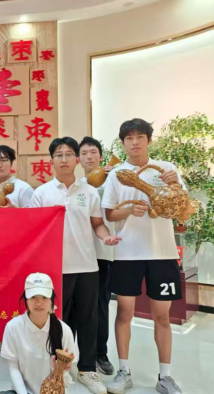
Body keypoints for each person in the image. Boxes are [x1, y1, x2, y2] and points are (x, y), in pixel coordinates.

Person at [102, 119, 192, 394]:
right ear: (123, 143)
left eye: (140, 137)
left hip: (162, 253)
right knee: (124, 314)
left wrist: (175, 184)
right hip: (127, 254)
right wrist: (129, 210)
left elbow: (184, 210)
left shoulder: (166, 169)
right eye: (129, 138)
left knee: (162, 317)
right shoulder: (117, 174)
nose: (135, 142)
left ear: (149, 140)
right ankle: (124, 371)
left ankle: (165, 377)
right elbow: (109, 214)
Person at [28, 137, 121, 394]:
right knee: (59, 322)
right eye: (59, 155)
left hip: (87, 266)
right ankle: (60, 369)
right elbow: (31, 227)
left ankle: (87, 369)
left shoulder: (89, 192)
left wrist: (106, 237)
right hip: (54, 269)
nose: (64, 159)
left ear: (77, 160)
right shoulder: (41, 193)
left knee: (89, 320)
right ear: (51, 161)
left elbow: (97, 224)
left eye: (69, 154)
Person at [0, 273, 103, 394]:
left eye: (44, 297)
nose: (39, 303)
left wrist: (61, 370)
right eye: (33, 297)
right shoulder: (13, 327)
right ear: (26, 299)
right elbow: (14, 369)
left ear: (52, 300)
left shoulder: (64, 330)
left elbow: (63, 379)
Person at [0, 145, 34, 358]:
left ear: (12, 163)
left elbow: (35, 221)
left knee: (18, 297)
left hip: (17, 253)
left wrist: (16, 212)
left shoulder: (22, 189)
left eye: (3, 160)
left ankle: (21, 342)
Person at [78, 136, 116, 376]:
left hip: (103, 253)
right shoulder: (76, 184)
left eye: (93, 152)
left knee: (100, 305)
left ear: (100, 156)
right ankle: (74, 354)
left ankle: (101, 353)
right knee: (77, 307)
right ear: (78, 159)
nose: (89, 157)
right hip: (78, 254)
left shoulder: (113, 179)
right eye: (84, 153)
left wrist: (115, 176)